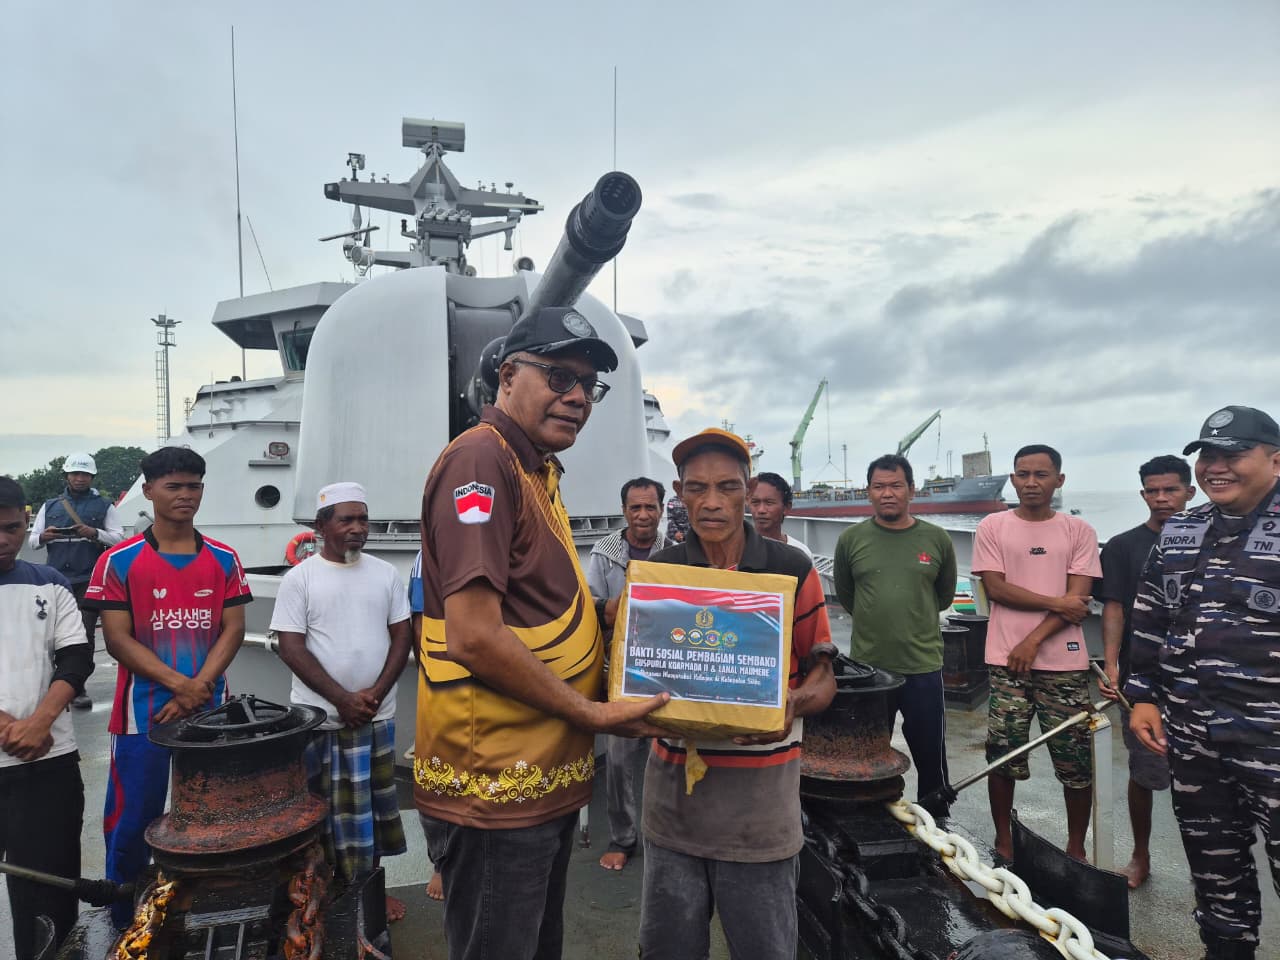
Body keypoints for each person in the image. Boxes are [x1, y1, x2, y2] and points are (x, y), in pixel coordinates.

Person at [414, 306, 667, 960]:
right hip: (498, 780)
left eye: (589, 386)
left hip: (543, 774)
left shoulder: (535, 467)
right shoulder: (481, 461)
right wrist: (591, 712)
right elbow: (472, 634)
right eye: (559, 376)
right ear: (507, 377)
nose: (578, 396)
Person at [639, 428, 836, 960]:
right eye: (697, 488)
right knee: (668, 948)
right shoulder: (661, 574)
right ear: (679, 493)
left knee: (764, 947)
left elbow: (824, 676)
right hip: (673, 800)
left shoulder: (791, 568)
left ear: (747, 491)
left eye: (727, 487)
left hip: (762, 805)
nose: (712, 502)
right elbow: (643, 675)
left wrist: (788, 704)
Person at [1126, 406, 1280, 960]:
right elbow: (1148, 619)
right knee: (1215, 873)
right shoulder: (1182, 532)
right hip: (1191, 737)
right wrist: (1141, 696)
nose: (1217, 467)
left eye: (1232, 455)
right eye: (1208, 456)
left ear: (1275, 460)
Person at [82, 447, 251, 926]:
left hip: (208, 714)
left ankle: (206, 910)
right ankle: (124, 917)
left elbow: (232, 628)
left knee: (212, 818)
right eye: (174, 486)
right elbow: (116, 639)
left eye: (193, 485)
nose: (185, 495)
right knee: (133, 820)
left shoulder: (223, 558)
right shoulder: (119, 560)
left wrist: (198, 689)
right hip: (143, 717)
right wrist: (184, 686)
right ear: (149, 490)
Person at [272, 482, 412, 921]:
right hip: (323, 722)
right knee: (323, 817)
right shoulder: (301, 578)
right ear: (321, 526)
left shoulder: (385, 574)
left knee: (371, 813)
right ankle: (326, 892)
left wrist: (375, 694)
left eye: (362, 519)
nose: (357, 529)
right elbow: (290, 646)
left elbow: (402, 636)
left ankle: (370, 893)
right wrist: (342, 700)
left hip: (375, 719)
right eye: (346, 520)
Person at [970, 444, 1100, 862]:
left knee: (1075, 759)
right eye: (1023, 474)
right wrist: (1058, 602)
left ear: (1059, 480)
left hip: (1064, 663)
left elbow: (1079, 599)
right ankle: (1004, 838)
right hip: (1006, 663)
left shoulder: (1079, 531)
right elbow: (997, 588)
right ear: (1012, 479)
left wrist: (1032, 639)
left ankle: (1076, 845)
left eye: (1041, 475)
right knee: (1003, 751)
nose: (1031, 483)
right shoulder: (993, 526)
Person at [0, 476, 94, 960]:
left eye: (12, 528)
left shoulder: (49, 584)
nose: (3, 540)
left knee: (49, 888)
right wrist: (8, 726)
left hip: (48, 760)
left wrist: (41, 722)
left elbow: (76, 658)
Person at [832, 453, 957, 815]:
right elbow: (847, 594)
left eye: (895, 486)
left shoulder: (936, 539)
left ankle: (937, 815)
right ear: (868, 492)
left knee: (931, 753)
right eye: (879, 486)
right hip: (869, 670)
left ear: (911, 490)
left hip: (922, 666)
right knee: (867, 751)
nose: (887, 493)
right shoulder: (851, 540)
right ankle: (871, 816)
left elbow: (944, 595)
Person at [1096, 454, 1195, 889]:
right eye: (1152, 491)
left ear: (1190, 492)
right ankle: (1141, 854)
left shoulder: (1214, 541)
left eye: (1170, 489)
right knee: (1144, 771)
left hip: (1203, 682)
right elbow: (1114, 608)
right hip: (1146, 681)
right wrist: (1113, 665)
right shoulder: (1122, 546)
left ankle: (1207, 866)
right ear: (1142, 495)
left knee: (1203, 782)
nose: (1161, 499)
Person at [586, 476, 668, 871]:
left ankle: (667, 837)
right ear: (624, 511)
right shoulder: (604, 554)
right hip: (620, 673)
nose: (643, 515)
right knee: (618, 760)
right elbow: (589, 610)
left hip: (668, 672)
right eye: (635, 507)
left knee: (669, 756)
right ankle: (623, 837)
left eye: (650, 507)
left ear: (662, 509)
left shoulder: (678, 552)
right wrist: (610, 608)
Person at [27, 452, 125, 709]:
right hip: (55, 581)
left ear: (91, 477)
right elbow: (33, 541)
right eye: (75, 473)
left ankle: (76, 686)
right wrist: (46, 536)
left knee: (82, 634)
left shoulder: (105, 506)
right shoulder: (50, 506)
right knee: (48, 633)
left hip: (88, 580)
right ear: (67, 476)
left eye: (84, 474)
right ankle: (54, 684)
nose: (79, 478)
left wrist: (95, 533)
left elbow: (119, 539)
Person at [407, 549, 445, 902]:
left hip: (496, 685)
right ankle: (441, 863)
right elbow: (418, 622)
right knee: (436, 779)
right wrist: (435, 679)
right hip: (446, 684)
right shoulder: (428, 556)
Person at [748, 471, 813, 559]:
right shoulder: (735, 551)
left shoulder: (801, 554)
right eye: (755, 502)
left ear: (786, 507)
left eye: (769, 503)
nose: (761, 510)